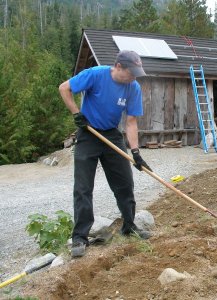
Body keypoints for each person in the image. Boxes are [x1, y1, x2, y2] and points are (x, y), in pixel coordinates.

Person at [59, 50, 152, 258]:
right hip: (88, 133)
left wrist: (136, 153)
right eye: (131, 72)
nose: (134, 77)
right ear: (118, 67)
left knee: (125, 183)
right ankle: (80, 237)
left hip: (112, 135)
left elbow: (131, 122)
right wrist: (77, 114)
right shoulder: (95, 74)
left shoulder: (133, 87)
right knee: (83, 187)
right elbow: (64, 88)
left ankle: (129, 226)